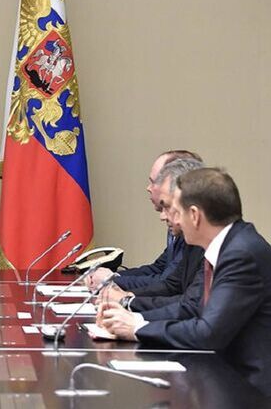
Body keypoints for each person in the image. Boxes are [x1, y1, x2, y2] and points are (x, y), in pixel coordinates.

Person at [99, 168, 271, 394]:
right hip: (221, 373)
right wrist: (133, 319)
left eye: (177, 212)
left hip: (248, 388)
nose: (173, 220)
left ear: (195, 215)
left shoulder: (240, 254)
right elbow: (193, 309)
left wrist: (137, 328)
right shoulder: (230, 245)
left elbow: (208, 332)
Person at [97, 158, 205, 312]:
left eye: (168, 207)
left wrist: (127, 303)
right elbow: (172, 284)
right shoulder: (195, 240)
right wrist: (126, 297)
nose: (163, 216)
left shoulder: (230, 251)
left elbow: (190, 307)